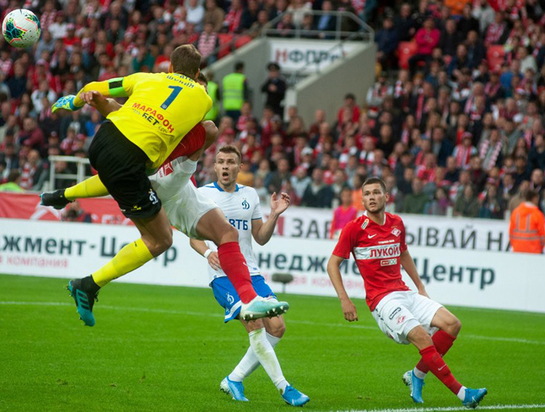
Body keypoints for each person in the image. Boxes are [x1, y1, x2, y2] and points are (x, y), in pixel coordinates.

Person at [42, 55, 281, 327]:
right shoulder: (176, 119)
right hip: (154, 187)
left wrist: (84, 101)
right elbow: (118, 125)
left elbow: (113, 107)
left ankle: (249, 299)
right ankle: (88, 284)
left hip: (182, 192)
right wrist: (67, 194)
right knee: (158, 240)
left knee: (228, 233)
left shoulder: (186, 123)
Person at [326, 177, 487, 409]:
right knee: (423, 337)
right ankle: (464, 394)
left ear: (386, 197)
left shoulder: (396, 223)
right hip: (382, 300)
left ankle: (417, 375)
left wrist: (420, 287)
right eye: (367, 194)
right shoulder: (354, 229)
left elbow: (403, 254)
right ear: (362, 200)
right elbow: (332, 264)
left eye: (376, 192)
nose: (371, 197)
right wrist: (344, 299)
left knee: (453, 325)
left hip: (404, 292)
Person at [189, 145, 309, 407]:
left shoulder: (250, 195)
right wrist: (208, 252)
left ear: (239, 167)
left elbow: (261, 237)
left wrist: (274, 214)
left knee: (277, 327)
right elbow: (193, 236)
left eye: (230, 162)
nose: (225, 166)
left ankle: (234, 378)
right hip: (223, 276)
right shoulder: (203, 195)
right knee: (254, 323)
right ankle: (284, 388)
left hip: (251, 273)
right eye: (221, 161)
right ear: (215, 166)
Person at [509, 189, 545, 254]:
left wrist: (514, 244)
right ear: (534, 199)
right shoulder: (538, 214)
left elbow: (511, 232)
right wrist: (541, 248)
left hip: (517, 249)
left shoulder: (515, 212)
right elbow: (542, 235)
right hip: (534, 250)